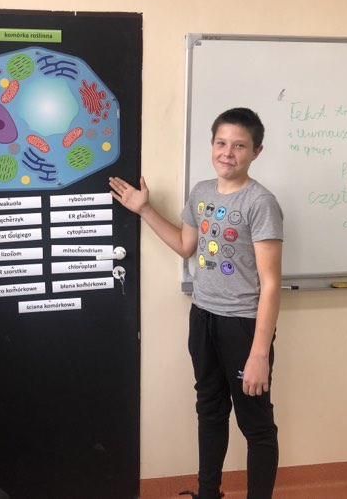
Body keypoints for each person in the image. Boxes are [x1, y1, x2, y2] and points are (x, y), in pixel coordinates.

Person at [109, 107, 283, 499]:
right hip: (203, 317)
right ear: (212, 145)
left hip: (243, 326)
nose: (228, 153)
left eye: (239, 146)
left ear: (256, 151)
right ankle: (208, 494)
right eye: (221, 143)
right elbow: (186, 245)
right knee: (210, 410)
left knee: (255, 424)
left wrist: (258, 354)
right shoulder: (202, 192)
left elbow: (271, 284)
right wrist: (144, 209)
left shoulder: (261, 202)